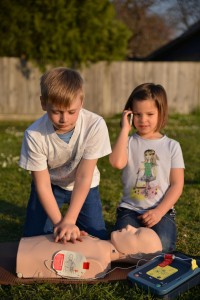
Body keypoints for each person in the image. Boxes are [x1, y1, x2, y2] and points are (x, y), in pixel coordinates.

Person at [19, 67, 111, 243]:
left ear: (81, 103)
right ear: (43, 103)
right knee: (34, 239)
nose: (64, 119)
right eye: (56, 111)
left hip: (85, 185)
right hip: (51, 186)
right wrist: (60, 223)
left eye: (71, 112)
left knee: (96, 238)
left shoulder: (95, 125)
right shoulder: (34, 134)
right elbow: (43, 184)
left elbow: (84, 176)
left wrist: (69, 220)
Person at [109, 83, 185, 253]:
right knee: (120, 245)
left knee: (164, 246)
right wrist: (124, 130)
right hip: (130, 210)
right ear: (129, 114)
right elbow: (116, 163)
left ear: (161, 113)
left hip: (161, 211)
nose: (143, 120)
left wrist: (159, 212)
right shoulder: (128, 142)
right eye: (137, 114)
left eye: (150, 114)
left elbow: (177, 185)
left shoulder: (172, 146)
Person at [16, 225, 162, 279]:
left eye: (136, 233)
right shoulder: (100, 245)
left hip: (23, 257)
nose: (130, 227)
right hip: (28, 246)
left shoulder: (98, 266)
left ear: (136, 255)